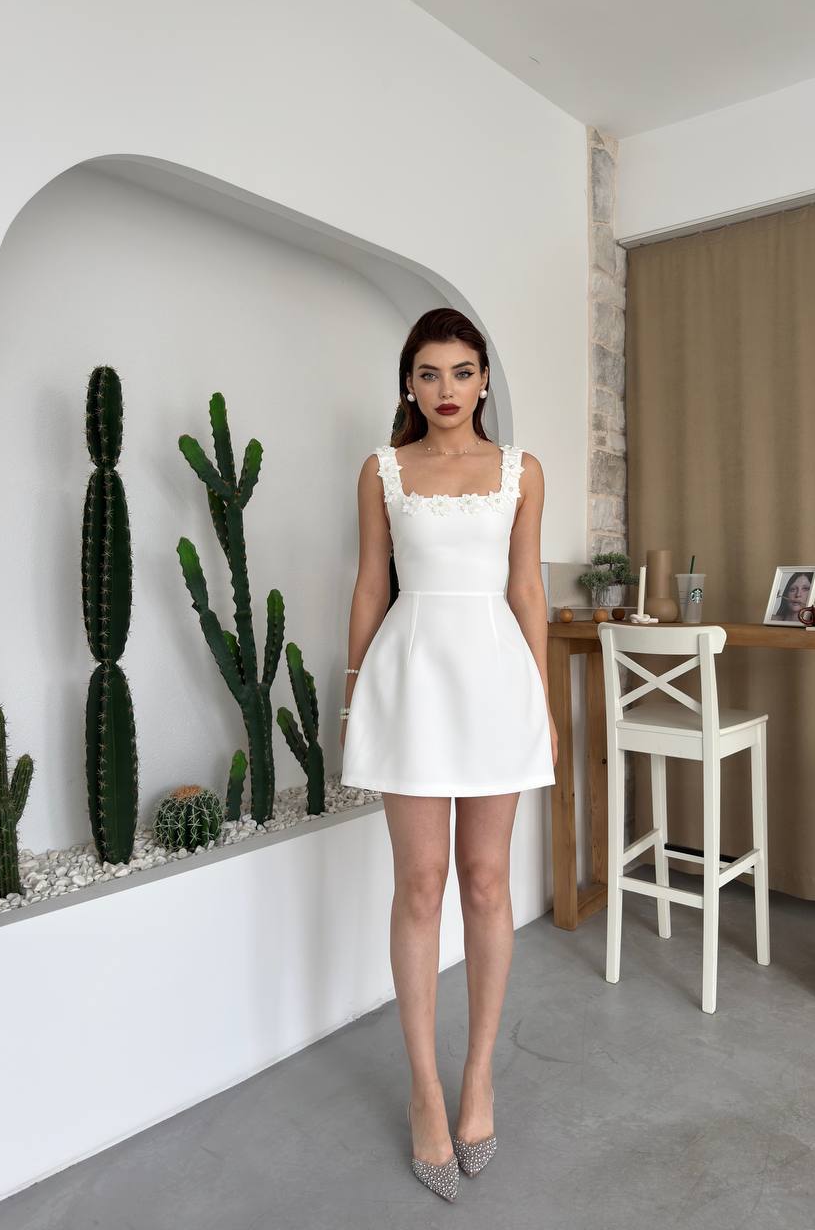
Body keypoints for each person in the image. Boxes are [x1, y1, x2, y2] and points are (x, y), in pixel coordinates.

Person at [340, 308, 557, 1201]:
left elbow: (528, 587)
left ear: (483, 382)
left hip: (497, 680)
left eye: (462, 373)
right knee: (421, 885)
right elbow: (368, 582)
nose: (446, 392)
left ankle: (479, 1081)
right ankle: (426, 1091)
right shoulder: (382, 470)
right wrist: (355, 690)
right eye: (429, 374)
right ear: (408, 383)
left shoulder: (520, 472)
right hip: (412, 681)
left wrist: (541, 700)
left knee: (488, 883)